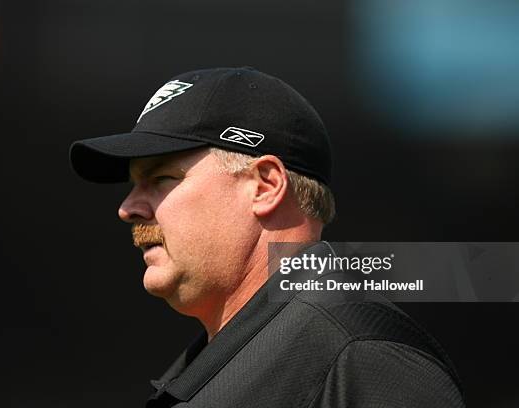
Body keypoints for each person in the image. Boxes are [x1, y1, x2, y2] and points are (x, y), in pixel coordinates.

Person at [69, 67, 465, 407]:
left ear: (264, 186)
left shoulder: (361, 356)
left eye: (161, 179)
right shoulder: (237, 356)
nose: (129, 208)